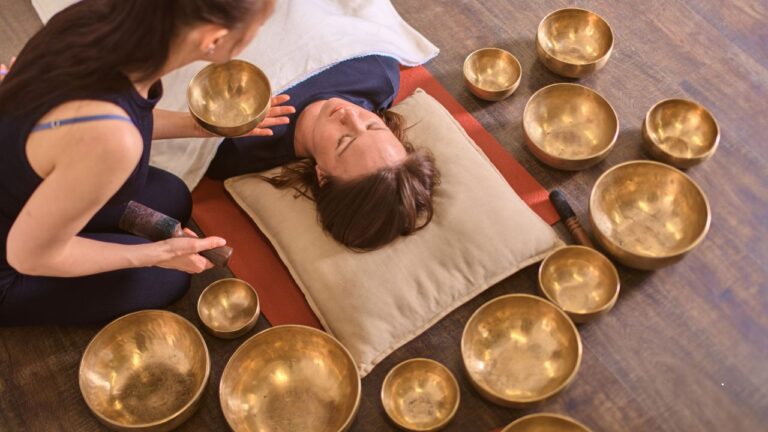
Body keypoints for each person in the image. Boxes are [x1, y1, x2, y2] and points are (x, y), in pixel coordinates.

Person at [0, 0, 293, 326]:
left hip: (26, 182)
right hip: (16, 256)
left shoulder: (96, 17)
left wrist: (200, 126)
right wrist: (158, 255)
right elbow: (28, 256)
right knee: (168, 279)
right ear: (214, 39)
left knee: (174, 195)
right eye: (259, 26)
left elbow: (115, 112)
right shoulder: (112, 141)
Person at [207, 55, 441, 250]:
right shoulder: (377, 71)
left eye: (344, 141)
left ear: (323, 176)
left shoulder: (235, 144)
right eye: (373, 126)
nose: (350, 115)